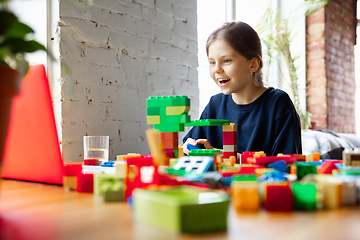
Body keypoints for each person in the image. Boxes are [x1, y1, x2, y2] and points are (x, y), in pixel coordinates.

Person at [182, 21, 302, 158]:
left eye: (226, 60)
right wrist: (189, 147)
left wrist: (235, 159)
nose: (217, 69)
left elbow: (288, 163)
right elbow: (188, 145)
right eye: (212, 62)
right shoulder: (215, 105)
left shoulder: (278, 103)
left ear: (253, 65)